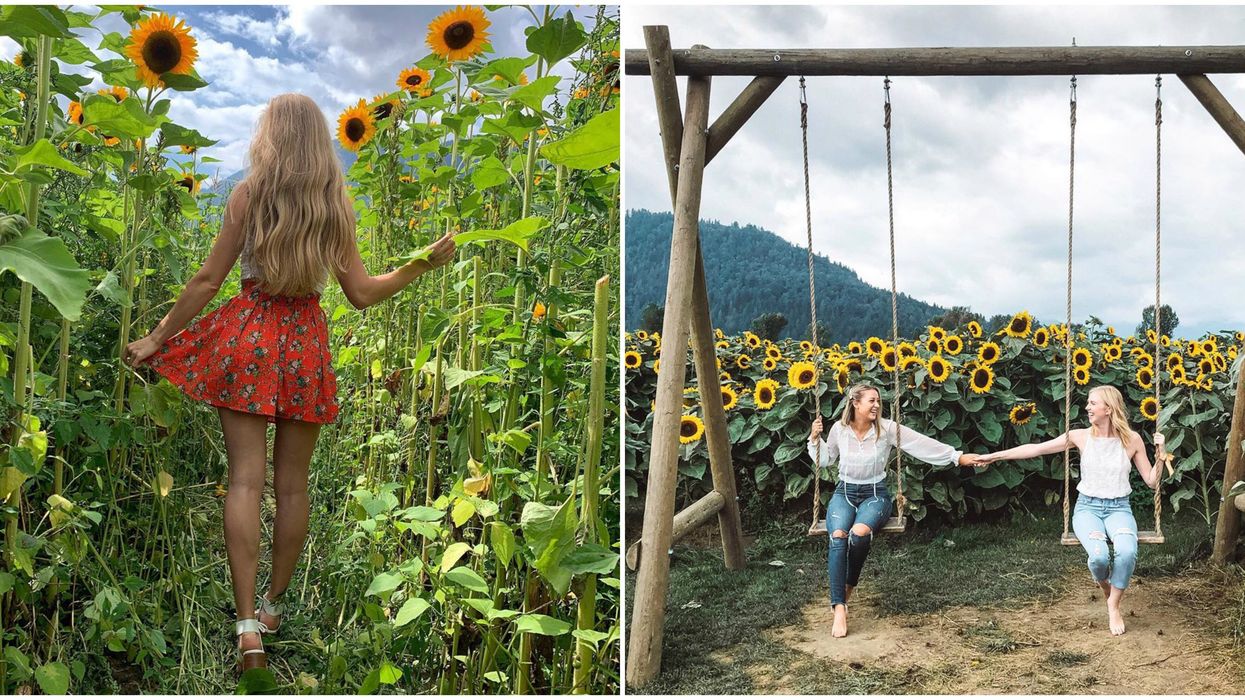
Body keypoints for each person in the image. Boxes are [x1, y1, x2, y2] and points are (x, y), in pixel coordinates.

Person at [122, 93, 456, 672]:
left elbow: (206, 281)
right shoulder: (334, 205)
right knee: (293, 488)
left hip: (248, 335)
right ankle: (275, 606)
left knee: (244, 483)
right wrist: (419, 264)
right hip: (305, 343)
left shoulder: (249, 195)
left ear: (269, 136)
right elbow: (362, 294)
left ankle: (247, 625)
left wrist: (156, 338)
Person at [978, 385, 1163, 635]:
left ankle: (1113, 605)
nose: (1087, 407)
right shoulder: (1080, 436)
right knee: (1098, 557)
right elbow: (1037, 448)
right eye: (1088, 403)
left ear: (1108, 409)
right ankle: (1109, 590)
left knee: (1127, 552)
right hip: (1088, 508)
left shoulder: (1132, 439)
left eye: (1093, 403)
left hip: (1119, 508)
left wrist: (1161, 455)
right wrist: (994, 456)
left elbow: (1152, 481)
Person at [808, 382, 983, 638]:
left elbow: (922, 445)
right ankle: (839, 608)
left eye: (878, 401)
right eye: (871, 401)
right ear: (855, 403)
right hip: (844, 493)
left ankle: (847, 588)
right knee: (837, 537)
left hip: (875, 495)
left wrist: (957, 457)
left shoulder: (887, 429)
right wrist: (815, 439)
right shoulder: (839, 430)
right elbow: (825, 460)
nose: (877, 405)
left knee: (858, 535)